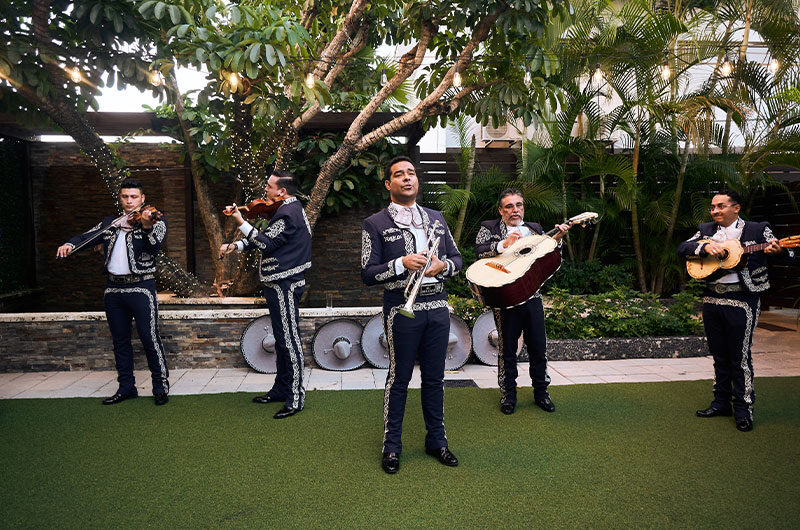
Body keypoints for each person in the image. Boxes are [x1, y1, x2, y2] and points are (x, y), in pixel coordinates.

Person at [361, 156, 463, 474]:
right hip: (401, 309)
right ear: (388, 184)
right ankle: (392, 447)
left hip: (437, 306)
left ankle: (437, 441)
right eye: (399, 175)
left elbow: (457, 259)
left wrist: (441, 266)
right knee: (400, 377)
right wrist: (400, 264)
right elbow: (367, 273)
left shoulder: (436, 218)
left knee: (435, 378)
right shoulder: (374, 223)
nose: (407, 178)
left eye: (411, 173)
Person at [677, 190, 796, 432]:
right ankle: (721, 403)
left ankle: (743, 409)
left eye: (720, 206)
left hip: (742, 298)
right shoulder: (707, 230)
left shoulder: (757, 230)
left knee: (739, 357)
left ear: (736, 208)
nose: (715, 211)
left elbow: (789, 255)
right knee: (719, 356)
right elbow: (682, 248)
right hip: (712, 298)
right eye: (712, 207)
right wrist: (704, 250)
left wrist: (780, 251)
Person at [56, 178, 170, 406]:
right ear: (121, 198)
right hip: (113, 289)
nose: (129, 201)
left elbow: (154, 247)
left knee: (149, 338)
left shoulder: (155, 220)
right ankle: (126, 387)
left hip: (141, 287)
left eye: (134, 197)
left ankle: (160, 387)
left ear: (143, 199)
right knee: (120, 341)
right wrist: (70, 243)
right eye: (125, 197)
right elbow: (88, 237)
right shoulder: (112, 223)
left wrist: (146, 226)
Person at [219, 170, 311, 419]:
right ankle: (281, 389)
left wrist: (240, 221)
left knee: (289, 339)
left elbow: (266, 244)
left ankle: (295, 396)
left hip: (285, 282)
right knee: (282, 338)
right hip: (277, 282)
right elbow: (267, 238)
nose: (265, 192)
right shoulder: (285, 208)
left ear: (282, 191)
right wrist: (236, 246)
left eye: (269, 187)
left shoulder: (288, 213)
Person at [475, 188, 570, 416]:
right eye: (509, 206)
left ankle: (541, 393)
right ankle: (509, 395)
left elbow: (548, 259)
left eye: (518, 205)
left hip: (533, 296)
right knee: (506, 350)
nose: (514, 210)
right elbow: (479, 252)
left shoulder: (535, 229)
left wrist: (556, 241)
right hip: (506, 298)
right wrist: (503, 244)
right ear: (501, 210)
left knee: (538, 347)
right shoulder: (489, 228)